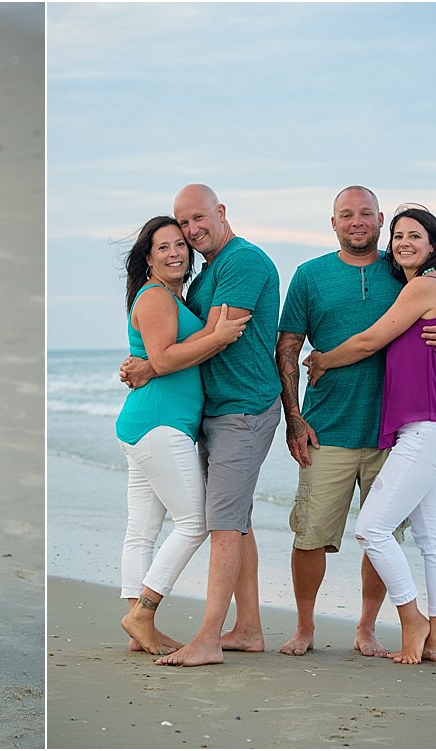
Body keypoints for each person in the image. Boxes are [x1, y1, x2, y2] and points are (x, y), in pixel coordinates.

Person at [275, 186, 436, 657]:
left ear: (379, 219)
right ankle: (306, 628)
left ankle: (368, 628)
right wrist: (293, 418)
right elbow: (287, 348)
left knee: (379, 536)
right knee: (311, 535)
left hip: (393, 434)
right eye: (346, 215)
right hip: (328, 427)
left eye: (365, 214)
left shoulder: (407, 275)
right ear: (333, 223)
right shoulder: (311, 275)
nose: (356, 222)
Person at [124, 184, 281, 667]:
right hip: (208, 415)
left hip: (243, 408)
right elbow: (193, 341)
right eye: (179, 227)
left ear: (221, 212)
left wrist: (153, 364)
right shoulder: (200, 278)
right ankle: (247, 629)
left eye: (196, 221)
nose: (190, 234)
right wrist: (154, 364)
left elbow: (219, 334)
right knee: (234, 523)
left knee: (219, 524)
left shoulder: (243, 261)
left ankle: (209, 637)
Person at [115, 216, 249, 655]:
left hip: (147, 425)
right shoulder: (155, 297)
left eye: (180, 245)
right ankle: (143, 612)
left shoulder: (171, 297)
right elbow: (165, 358)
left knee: (143, 530)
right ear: (148, 258)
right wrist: (221, 335)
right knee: (195, 522)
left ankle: (139, 626)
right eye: (163, 247)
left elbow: (155, 358)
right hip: (159, 426)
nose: (175, 253)